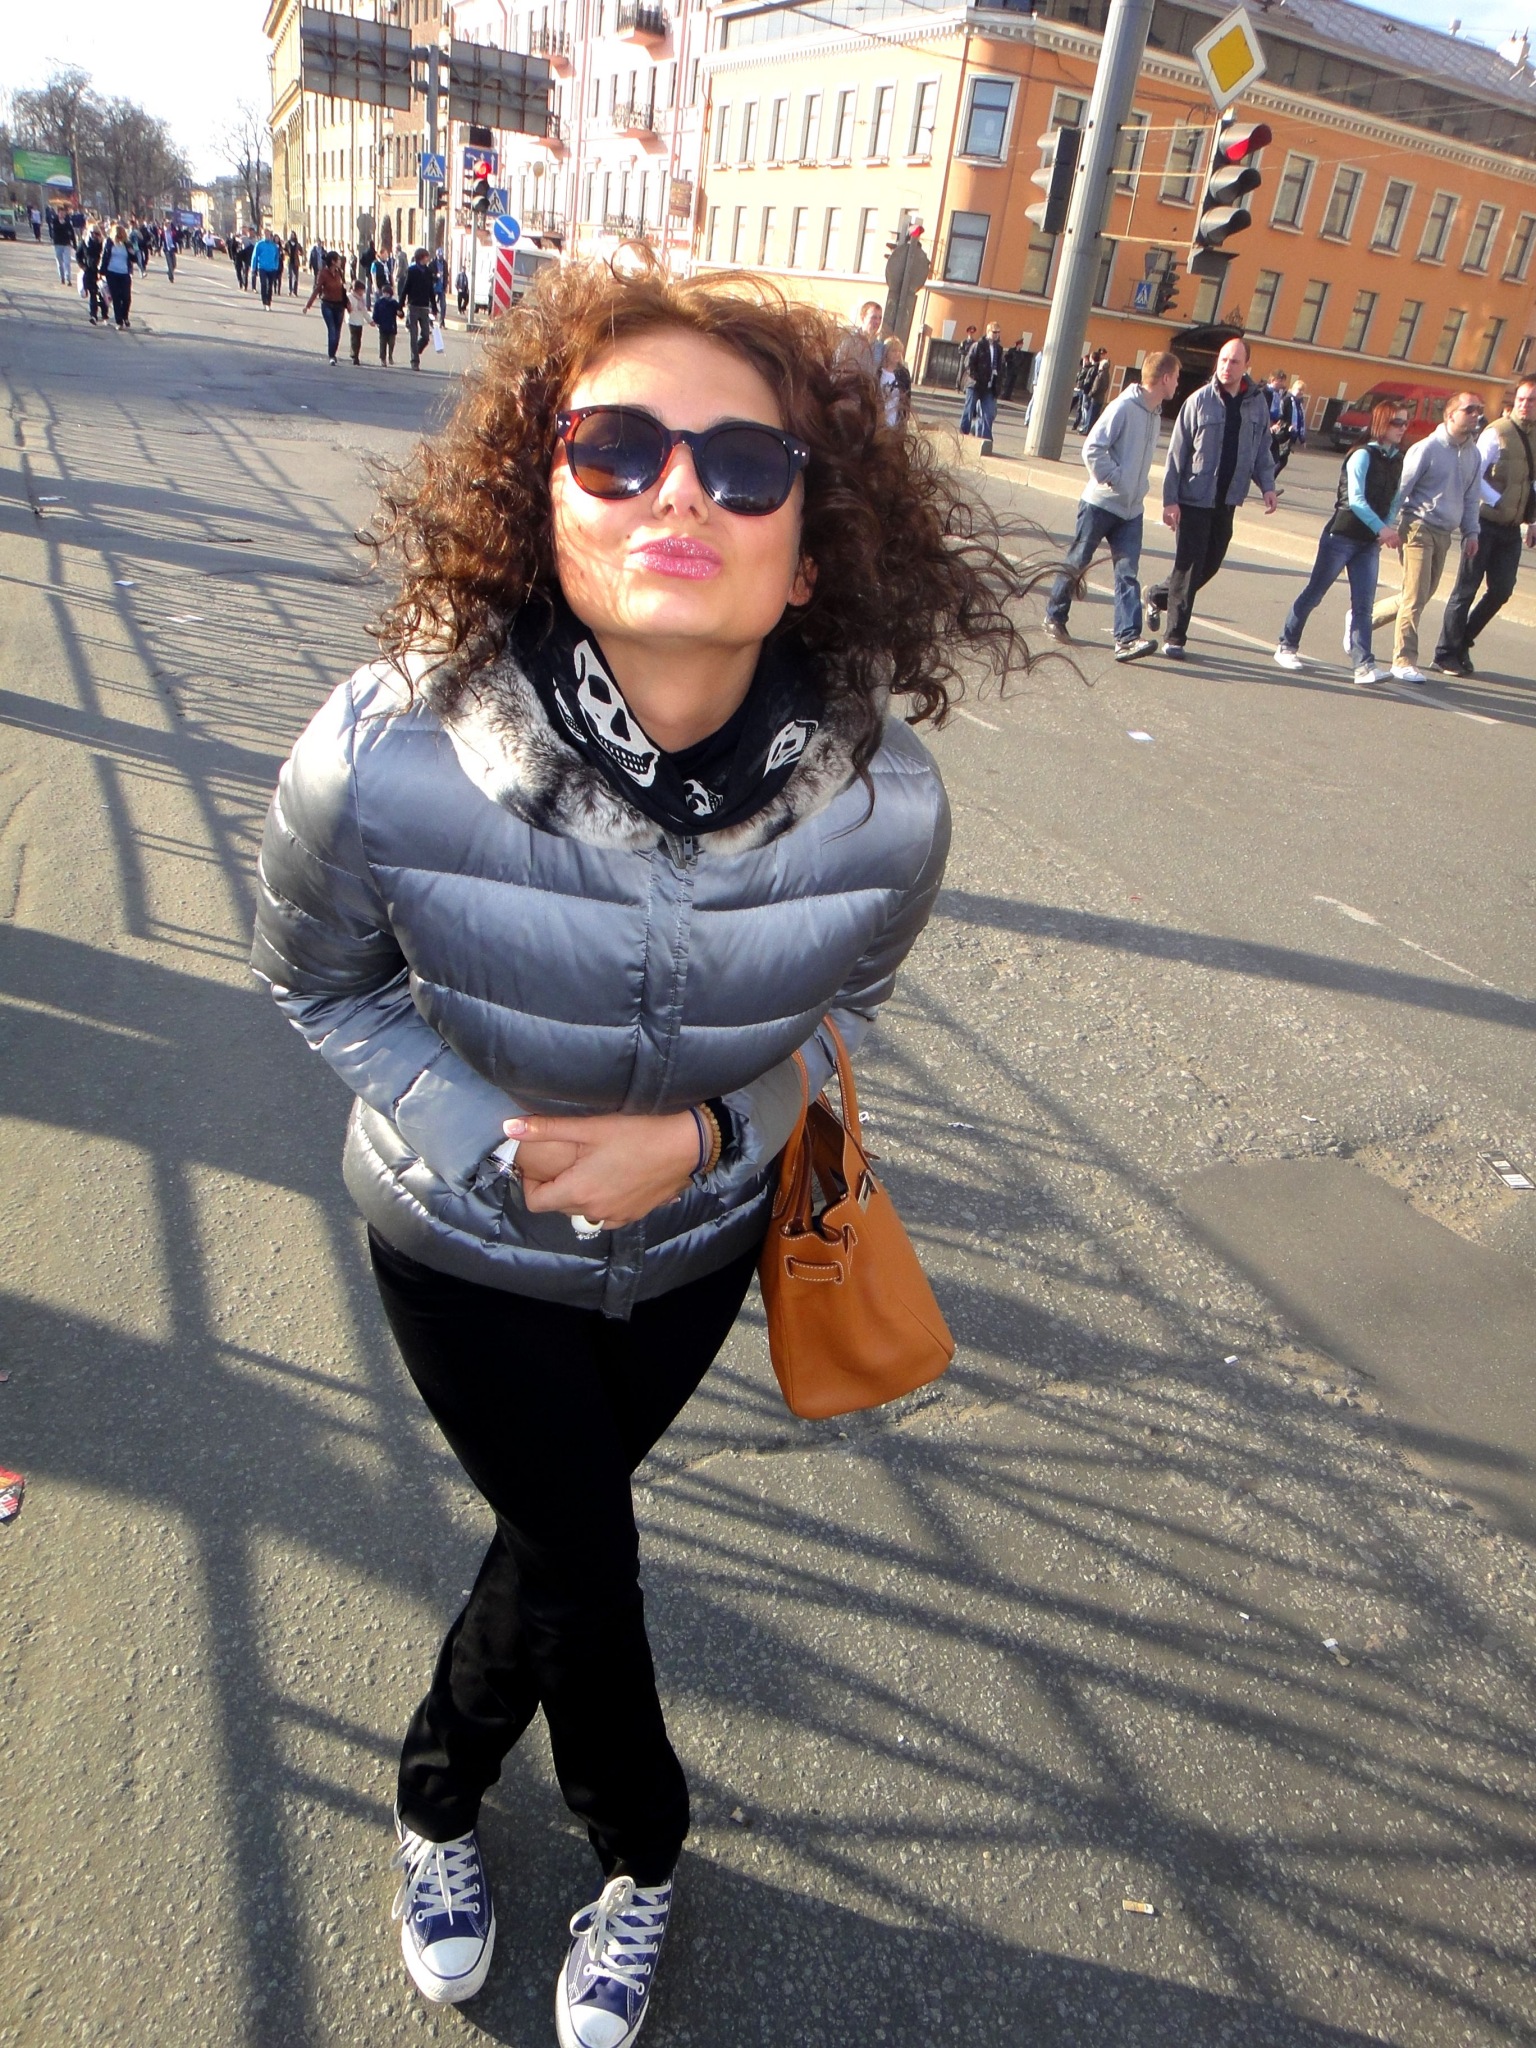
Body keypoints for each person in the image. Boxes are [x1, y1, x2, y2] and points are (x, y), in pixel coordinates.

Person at [251, 260, 1032, 2039]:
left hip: (693, 1253)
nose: (679, 491)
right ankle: (636, 1844)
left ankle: (438, 1788)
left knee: (553, 1542)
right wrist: (498, 1144)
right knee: (586, 1559)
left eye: (744, 466)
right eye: (616, 448)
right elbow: (317, 983)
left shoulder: (887, 804)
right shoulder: (390, 749)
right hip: (460, 1246)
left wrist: (699, 1136)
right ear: (545, 499)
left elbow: (840, 1020)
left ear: (811, 549)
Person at [1144, 334, 1277, 659]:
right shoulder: (1199, 401)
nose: (1226, 366)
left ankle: (1157, 596)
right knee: (1189, 567)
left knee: (1211, 563)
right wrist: (1170, 500)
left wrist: (1268, 485)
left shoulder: (1256, 403)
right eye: (1223, 360)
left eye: (1234, 361)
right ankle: (1175, 637)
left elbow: (1262, 449)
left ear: (1246, 366)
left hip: (1227, 499)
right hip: (1194, 497)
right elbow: (1176, 455)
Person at [1043, 350, 1180, 662]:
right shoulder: (1124, 407)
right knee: (1078, 560)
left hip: (1131, 511)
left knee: (1127, 573)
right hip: (1100, 504)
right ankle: (1054, 615)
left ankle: (1127, 638)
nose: (1177, 384)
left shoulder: (1154, 413)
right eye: (1176, 378)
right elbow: (1092, 448)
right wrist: (1116, 478)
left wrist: (1136, 490)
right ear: (1164, 378)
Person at [1272, 399, 1407, 685]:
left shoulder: (1397, 459)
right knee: (1315, 593)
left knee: (1363, 606)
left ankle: (1363, 665)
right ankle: (1287, 645)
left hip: (1368, 543)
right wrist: (1382, 528)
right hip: (1342, 536)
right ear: (1381, 423)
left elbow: (1396, 498)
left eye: (1405, 422)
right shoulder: (1362, 455)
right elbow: (1355, 500)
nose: (1402, 428)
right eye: (1397, 422)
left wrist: (1385, 526)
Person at [1365, 392, 1484, 684]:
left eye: (1478, 410)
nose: (1476, 414)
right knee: (1415, 596)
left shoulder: (1473, 454)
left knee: (1421, 594)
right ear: (1451, 415)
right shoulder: (1427, 448)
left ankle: (1362, 620)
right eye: (1469, 409)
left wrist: (1471, 532)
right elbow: (1401, 490)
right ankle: (1403, 660)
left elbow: (1471, 497)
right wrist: (1385, 527)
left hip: (1445, 532)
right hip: (1417, 527)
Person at [1433, 375, 1536, 677]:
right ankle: (1446, 653)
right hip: (1483, 524)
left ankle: (1463, 640)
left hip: (1511, 528)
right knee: (1465, 589)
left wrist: (1532, 520)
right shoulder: (1497, 432)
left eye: (1531, 400)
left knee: (1502, 590)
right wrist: (1497, 501)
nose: (1525, 405)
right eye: (1521, 399)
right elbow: (1473, 475)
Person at [959, 323, 1005, 442]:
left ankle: (985, 440)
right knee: (969, 411)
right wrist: (976, 377)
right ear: (988, 332)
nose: (997, 335)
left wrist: (998, 384)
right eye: (994, 332)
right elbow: (968, 363)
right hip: (975, 384)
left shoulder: (998, 349)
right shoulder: (978, 345)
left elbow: (999, 368)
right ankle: (962, 436)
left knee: (988, 413)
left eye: (998, 332)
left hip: (990, 386)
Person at [304, 250, 350, 363]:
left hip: (339, 305)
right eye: (338, 259)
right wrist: (308, 305)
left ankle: (333, 353)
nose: (340, 261)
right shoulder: (323, 273)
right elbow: (317, 289)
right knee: (332, 330)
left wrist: (348, 304)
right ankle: (331, 356)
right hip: (327, 304)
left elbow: (342, 289)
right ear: (333, 261)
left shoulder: (339, 272)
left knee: (337, 332)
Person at [402, 247, 437, 370]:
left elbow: (431, 291)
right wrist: (400, 305)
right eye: (426, 256)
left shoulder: (428, 272)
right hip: (413, 306)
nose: (428, 259)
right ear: (422, 257)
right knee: (413, 334)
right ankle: (414, 361)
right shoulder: (412, 271)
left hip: (424, 307)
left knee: (426, 335)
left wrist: (434, 307)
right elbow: (406, 288)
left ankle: (416, 349)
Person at [1266, 370, 1304, 479]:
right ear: (1273, 380)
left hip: (1280, 430)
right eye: (1280, 381)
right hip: (1274, 429)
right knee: (1277, 458)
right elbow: (1268, 412)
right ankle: (1267, 482)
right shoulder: (1268, 393)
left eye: (1283, 381)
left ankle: (1267, 483)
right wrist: (1272, 425)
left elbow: (1300, 420)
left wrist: (1302, 438)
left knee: (1279, 458)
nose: (1282, 384)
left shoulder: (1283, 395)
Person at [102, 225, 134, 330]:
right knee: (116, 297)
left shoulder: (127, 244)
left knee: (126, 298)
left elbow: (134, 259)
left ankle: (125, 316)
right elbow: (104, 257)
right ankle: (119, 321)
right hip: (112, 272)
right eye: (117, 234)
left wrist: (132, 252)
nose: (119, 236)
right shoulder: (109, 243)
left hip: (124, 273)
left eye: (121, 234)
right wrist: (101, 271)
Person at [878, 332, 911, 428]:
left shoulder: (903, 373)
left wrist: (905, 417)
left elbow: (907, 398)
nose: (897, 354)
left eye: (899, 351)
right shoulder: (879, 371)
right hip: (881, 415)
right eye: (894, 351)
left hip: (896, 417)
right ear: (886, 352)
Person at [80, 225, 107, 326]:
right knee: (93, 294)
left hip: (101, 272)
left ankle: (104, 313)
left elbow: (106, 256)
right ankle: (93, 316)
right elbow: (78, 255)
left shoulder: (102, 243)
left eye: (96, 233)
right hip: (90, 271)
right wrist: (83, 266)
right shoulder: (84, 243)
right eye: (92, 233)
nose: (94, 235)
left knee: (102, 295)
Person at [1082, 349, 1113, 435]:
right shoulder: (1106, 374)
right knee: (1095, 416)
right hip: (1100, 398)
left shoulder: (1100, 374)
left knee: (1091, 416)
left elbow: (1096, 387)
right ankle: (1089, 430)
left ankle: (1087, 430)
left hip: (1095, 398)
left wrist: (1090, 394)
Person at [252, 228, 284, 308]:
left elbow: (277, 257)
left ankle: (268, 302)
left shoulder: (273, 246)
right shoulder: (259, 244)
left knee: (270, 286)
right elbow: (255, 256)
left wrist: (276, 266)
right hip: (262, 267)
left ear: (270, 235)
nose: (267, 235)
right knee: (263, 284)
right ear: (263, 235)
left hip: (272, 268)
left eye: (268, 234)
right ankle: (264, 301)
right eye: (265, 234)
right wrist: (254, 268)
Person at [371, 280, 400, 365]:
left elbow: (399, 312)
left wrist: (400, 313)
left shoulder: (394, 303)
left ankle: (390, 356)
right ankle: (383, 359)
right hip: (382, 326)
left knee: (391, 343)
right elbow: (375, 313)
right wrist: (375, 321)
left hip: (392, 326)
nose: (386, 295)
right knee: (382, 344)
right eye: (384, 293)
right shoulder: (379, 303)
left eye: (387, 293)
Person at [49, 209, 76, 287]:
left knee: (67, 262)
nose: (62, 215)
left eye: (63, 213)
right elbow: (55, 231)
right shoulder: (55, 221)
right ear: (58, 214)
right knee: (60, 262)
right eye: (60, 213)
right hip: (58, 244)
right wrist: (63, 227)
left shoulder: (68, 222)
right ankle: (62, 277)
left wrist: (74, 244)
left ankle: (68, 279)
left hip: (66, 244)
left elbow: (72, 233)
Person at [347, 276, 369, 364]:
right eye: (361, 290)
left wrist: (370, 320)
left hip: (359, 322)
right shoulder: (349, 297)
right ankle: (354, 356)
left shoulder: (362, 299)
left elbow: (364, 311)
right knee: (354, 338)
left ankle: (356, 354)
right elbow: (349, 308)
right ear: (356, 289)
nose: (362, 292)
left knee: (358, 339)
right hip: (352, 320)